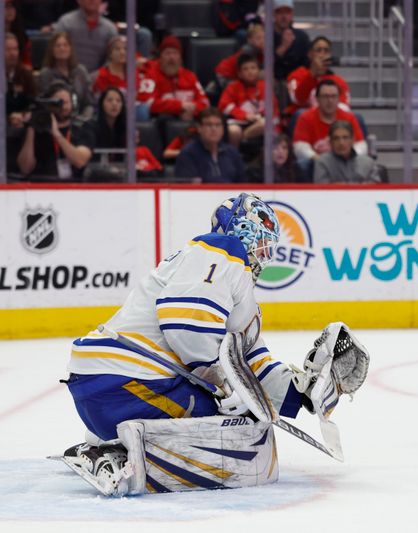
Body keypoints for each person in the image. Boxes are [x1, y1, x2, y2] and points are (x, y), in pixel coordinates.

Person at [59, 192, 369, 495]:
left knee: (244, 419)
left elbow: (252, 363)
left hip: (102, 382)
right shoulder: (222, 250)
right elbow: (185, 324)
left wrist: (301, 394)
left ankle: (103, 440)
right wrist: (223, 383)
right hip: (129, 381)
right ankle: (118, 458)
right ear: (241, 230)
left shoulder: (230, 284)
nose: (266, 253)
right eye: (262, 241)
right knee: (240, 431)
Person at [17, 81, 95, 180]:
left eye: (66, 102)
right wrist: (31, 127)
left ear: (73, 103)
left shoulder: (83, 128)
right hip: (40, 186)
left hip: (75, 187)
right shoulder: (37, 130)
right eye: (57, 103)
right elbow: (25, 168)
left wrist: (56, 133)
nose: (63, 107)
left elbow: (79, 161)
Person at [292, 80, 366, 176]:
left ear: (339, 98)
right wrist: (319, 160)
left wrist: (348, 158)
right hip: (316, 162)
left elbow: (361, 145)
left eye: (333, 96)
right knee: (302, 164)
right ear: (317, 99)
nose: (330, 100)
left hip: (346, 162)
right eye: (325, 96)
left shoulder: (349, 117)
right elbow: (300, 147)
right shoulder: (305, 117)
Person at [139, 36, 210, 121]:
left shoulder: (190, 76)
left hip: (190, 122)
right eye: (168, 53)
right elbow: (146, 103)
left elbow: (205, 103)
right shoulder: (150, 76)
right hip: (161, 124)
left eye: (175, 53)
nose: (172, 58)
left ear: (180, 58)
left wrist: (192, 109)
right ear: (160, 58)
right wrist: (180, 106)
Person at [218, 51, 279, 148]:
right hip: (238, 122)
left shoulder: (265, 86)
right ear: (240, 74)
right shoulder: (233, 87)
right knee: (233, 131)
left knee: (266, 124)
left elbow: (273, 108)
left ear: (259, 70)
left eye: (253, 68)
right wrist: (245, 115)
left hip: (259, 122)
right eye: (245, 69)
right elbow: (224, 106)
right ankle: (233, 158)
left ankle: (244, 138)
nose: (250, 72)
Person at [174, 107, 246, 183]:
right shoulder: (188, 154)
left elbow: (243, 184)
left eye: (218, 125)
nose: (214, 129)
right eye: (209, 125)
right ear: (199, 128)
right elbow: (185, 187)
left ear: (223, 129)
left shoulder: (232, 153)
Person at [37, 32, 96, 122]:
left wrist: (84, 120)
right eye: (58, 46)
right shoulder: (46, 74)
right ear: (52, 50)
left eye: (65, 45)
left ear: (71, 49)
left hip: (81, 121)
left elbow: (89, 103)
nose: (62, 48)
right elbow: (43, 103)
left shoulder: (81, 71)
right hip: (55, 122)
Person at [287, 36, 351, 115]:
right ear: (310, 54)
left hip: (331, 121)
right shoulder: (297, 75)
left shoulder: (339, 81)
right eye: (318, 50)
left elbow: (344, 107)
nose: (322, 54)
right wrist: (312, 74)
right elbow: (298, 100)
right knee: (300, 113)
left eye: (326, 51)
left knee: (357, 118)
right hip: (305, 120)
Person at [52, 0, 118, 73]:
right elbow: (54, 53)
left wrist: (98, 76)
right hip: (68, 77)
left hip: (101, 79)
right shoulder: (65, 23)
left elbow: (113, 60)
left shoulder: (110, 28)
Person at [314, 121, 381, 184]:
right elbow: (321, 191)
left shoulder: (368, 163)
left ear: (353, 140)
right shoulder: (322, 162)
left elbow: (376, 190)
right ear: (331, 142)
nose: (341, 143)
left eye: (345, 138)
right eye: (336, 138)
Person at [215, 20, 265, 85]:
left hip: (237, 76)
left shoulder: (262, 50)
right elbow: (246, 73)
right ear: (249, 40)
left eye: (264, 38)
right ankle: (215, 85)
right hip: (225, 75)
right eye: (258, 38)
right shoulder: (247, 51)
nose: (262, 41)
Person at [272, 0, 310, 81]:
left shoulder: (302, 37)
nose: (284, 16)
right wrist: (283, 47)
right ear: (274, 14)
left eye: (287, 12)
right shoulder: (267, 37)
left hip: (297, 81)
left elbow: (307, 64)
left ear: (292, 14)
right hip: (273, 81)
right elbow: (265, 66)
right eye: (280, 13)